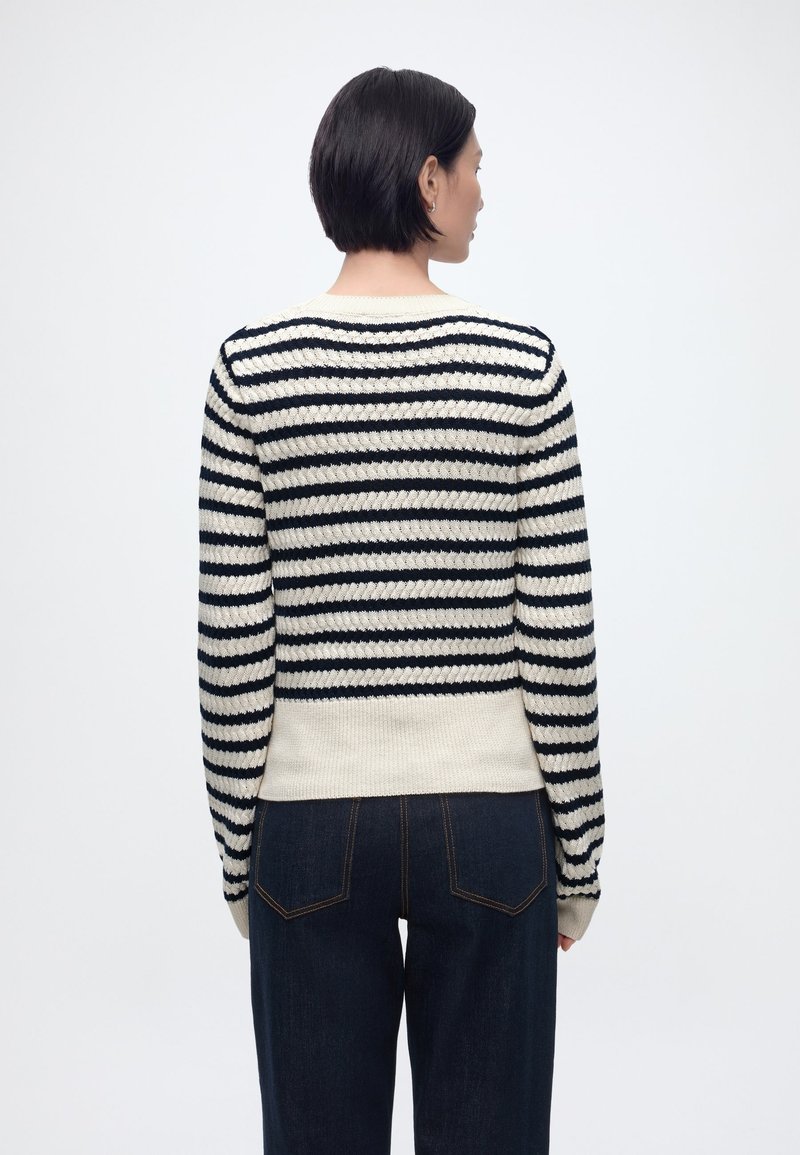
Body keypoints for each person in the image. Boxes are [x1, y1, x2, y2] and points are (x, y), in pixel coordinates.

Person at [197, 65, 605, 1155]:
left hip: (307, 823)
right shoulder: (521, 369)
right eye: (472, 168)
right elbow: (557, 640)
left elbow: (233, 646)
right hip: (490, 817)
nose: (482, 192)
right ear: (427, 179)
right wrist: (577, 858)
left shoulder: (251, 370)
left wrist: (241, 858)